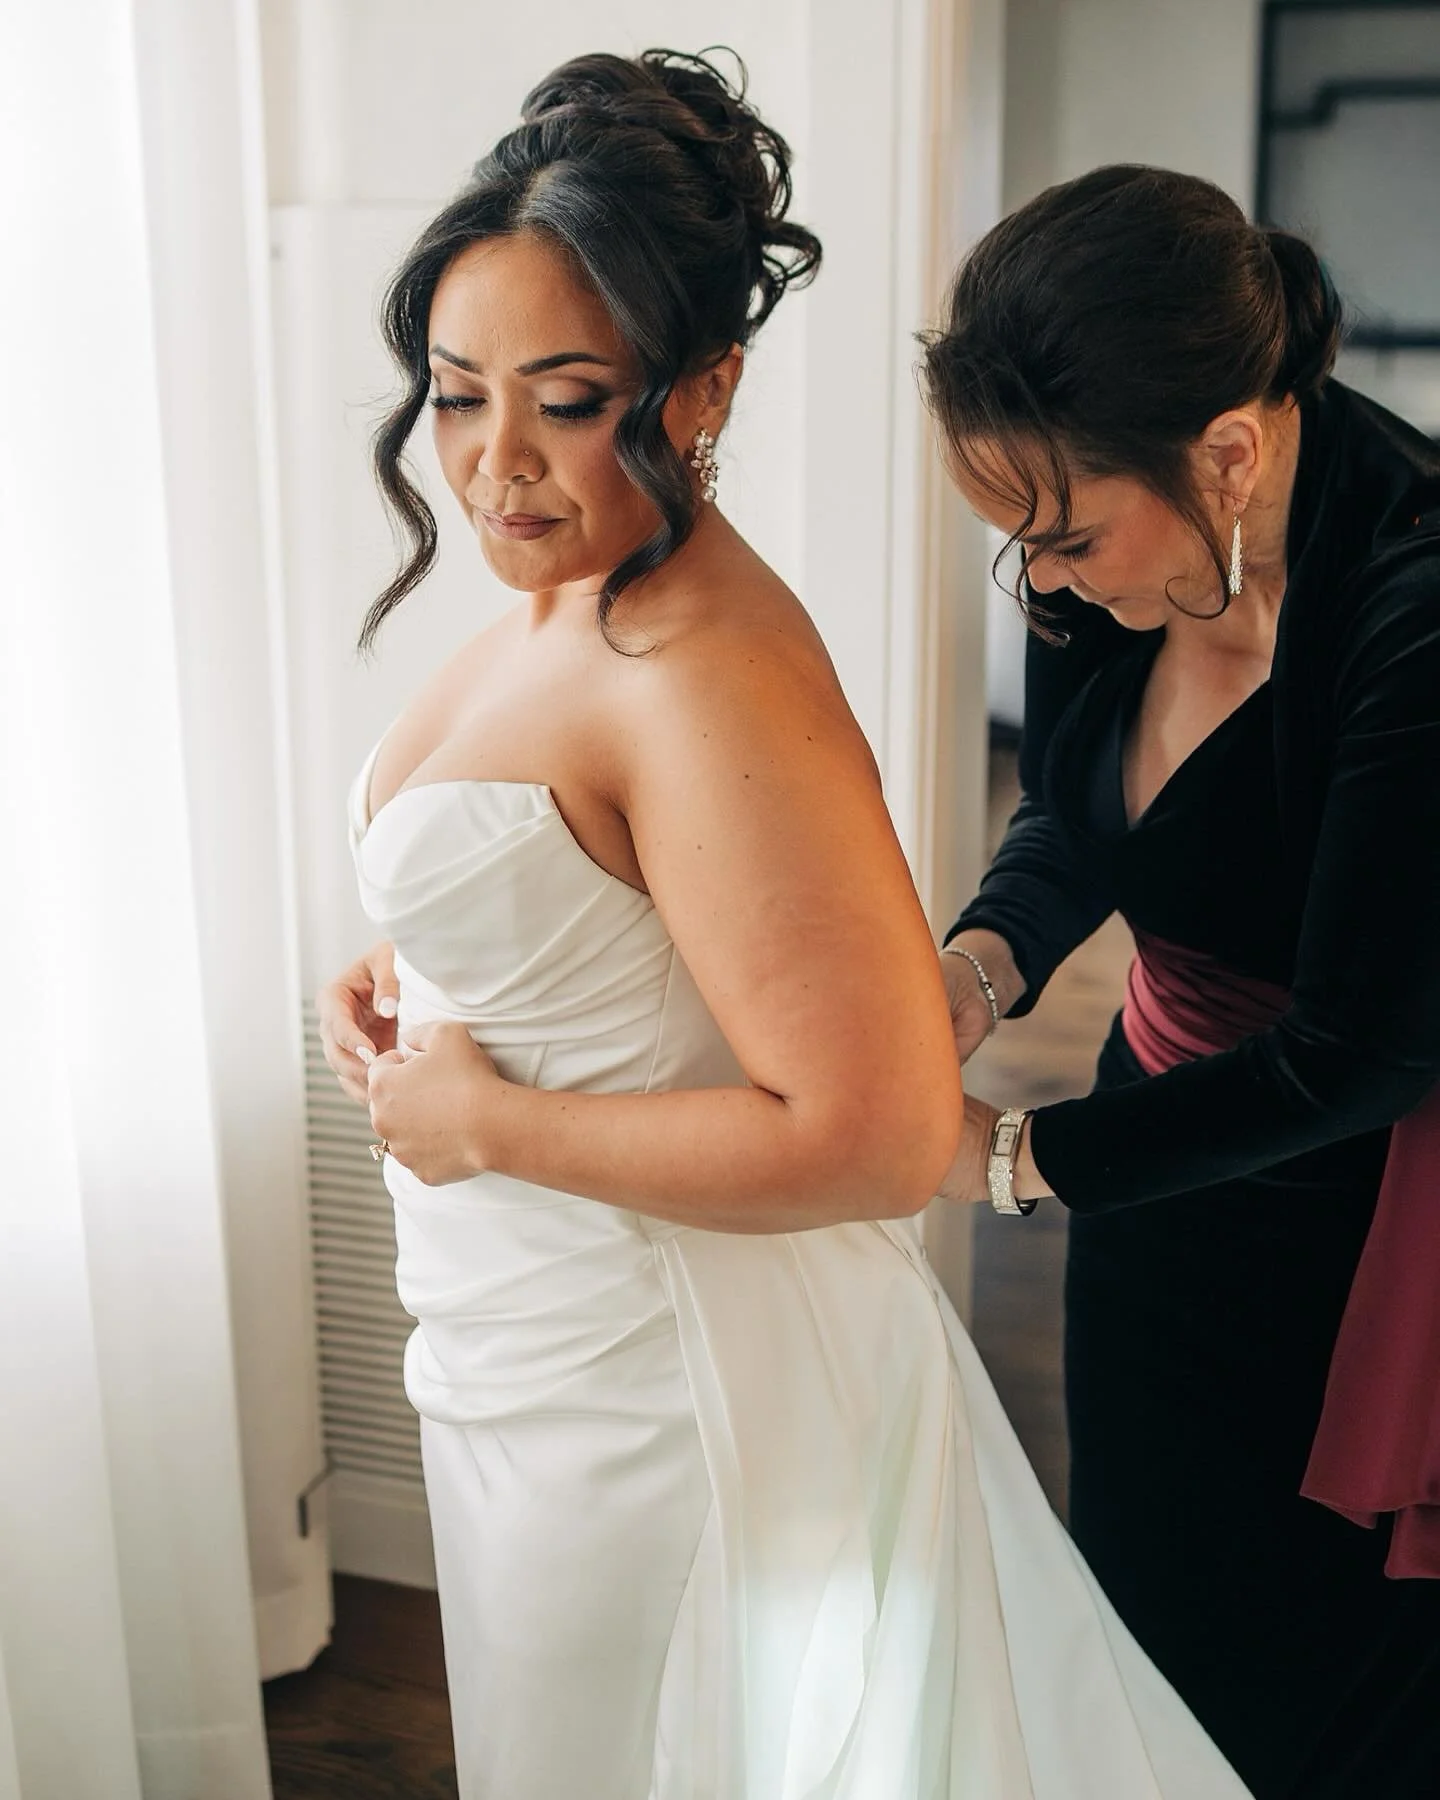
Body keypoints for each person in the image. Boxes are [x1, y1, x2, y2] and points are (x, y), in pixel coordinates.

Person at [318, 50, 1250, 1800]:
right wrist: (422, 972)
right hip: (527, 1339)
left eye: (566, 399)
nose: (494, 462)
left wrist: (490, 1118)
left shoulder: (706, 673)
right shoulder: (570, 587)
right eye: (454, 395)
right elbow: (605, 898)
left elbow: (885, 1131)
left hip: (666, 1403)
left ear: (704, 385)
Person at [923, 165, 1440, 1800]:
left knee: (1329, 1683)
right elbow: (1078, 816)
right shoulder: (1099, 551)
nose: (1047, 585)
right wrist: (983, 964)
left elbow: (1356, 1053)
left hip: (1363, 1216)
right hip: (1161, 1148)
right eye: (1018, 543)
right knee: (1144, 1594)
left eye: (1064, 538)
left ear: (1230, 446)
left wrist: (1012, 1158)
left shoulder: (1416, 607)